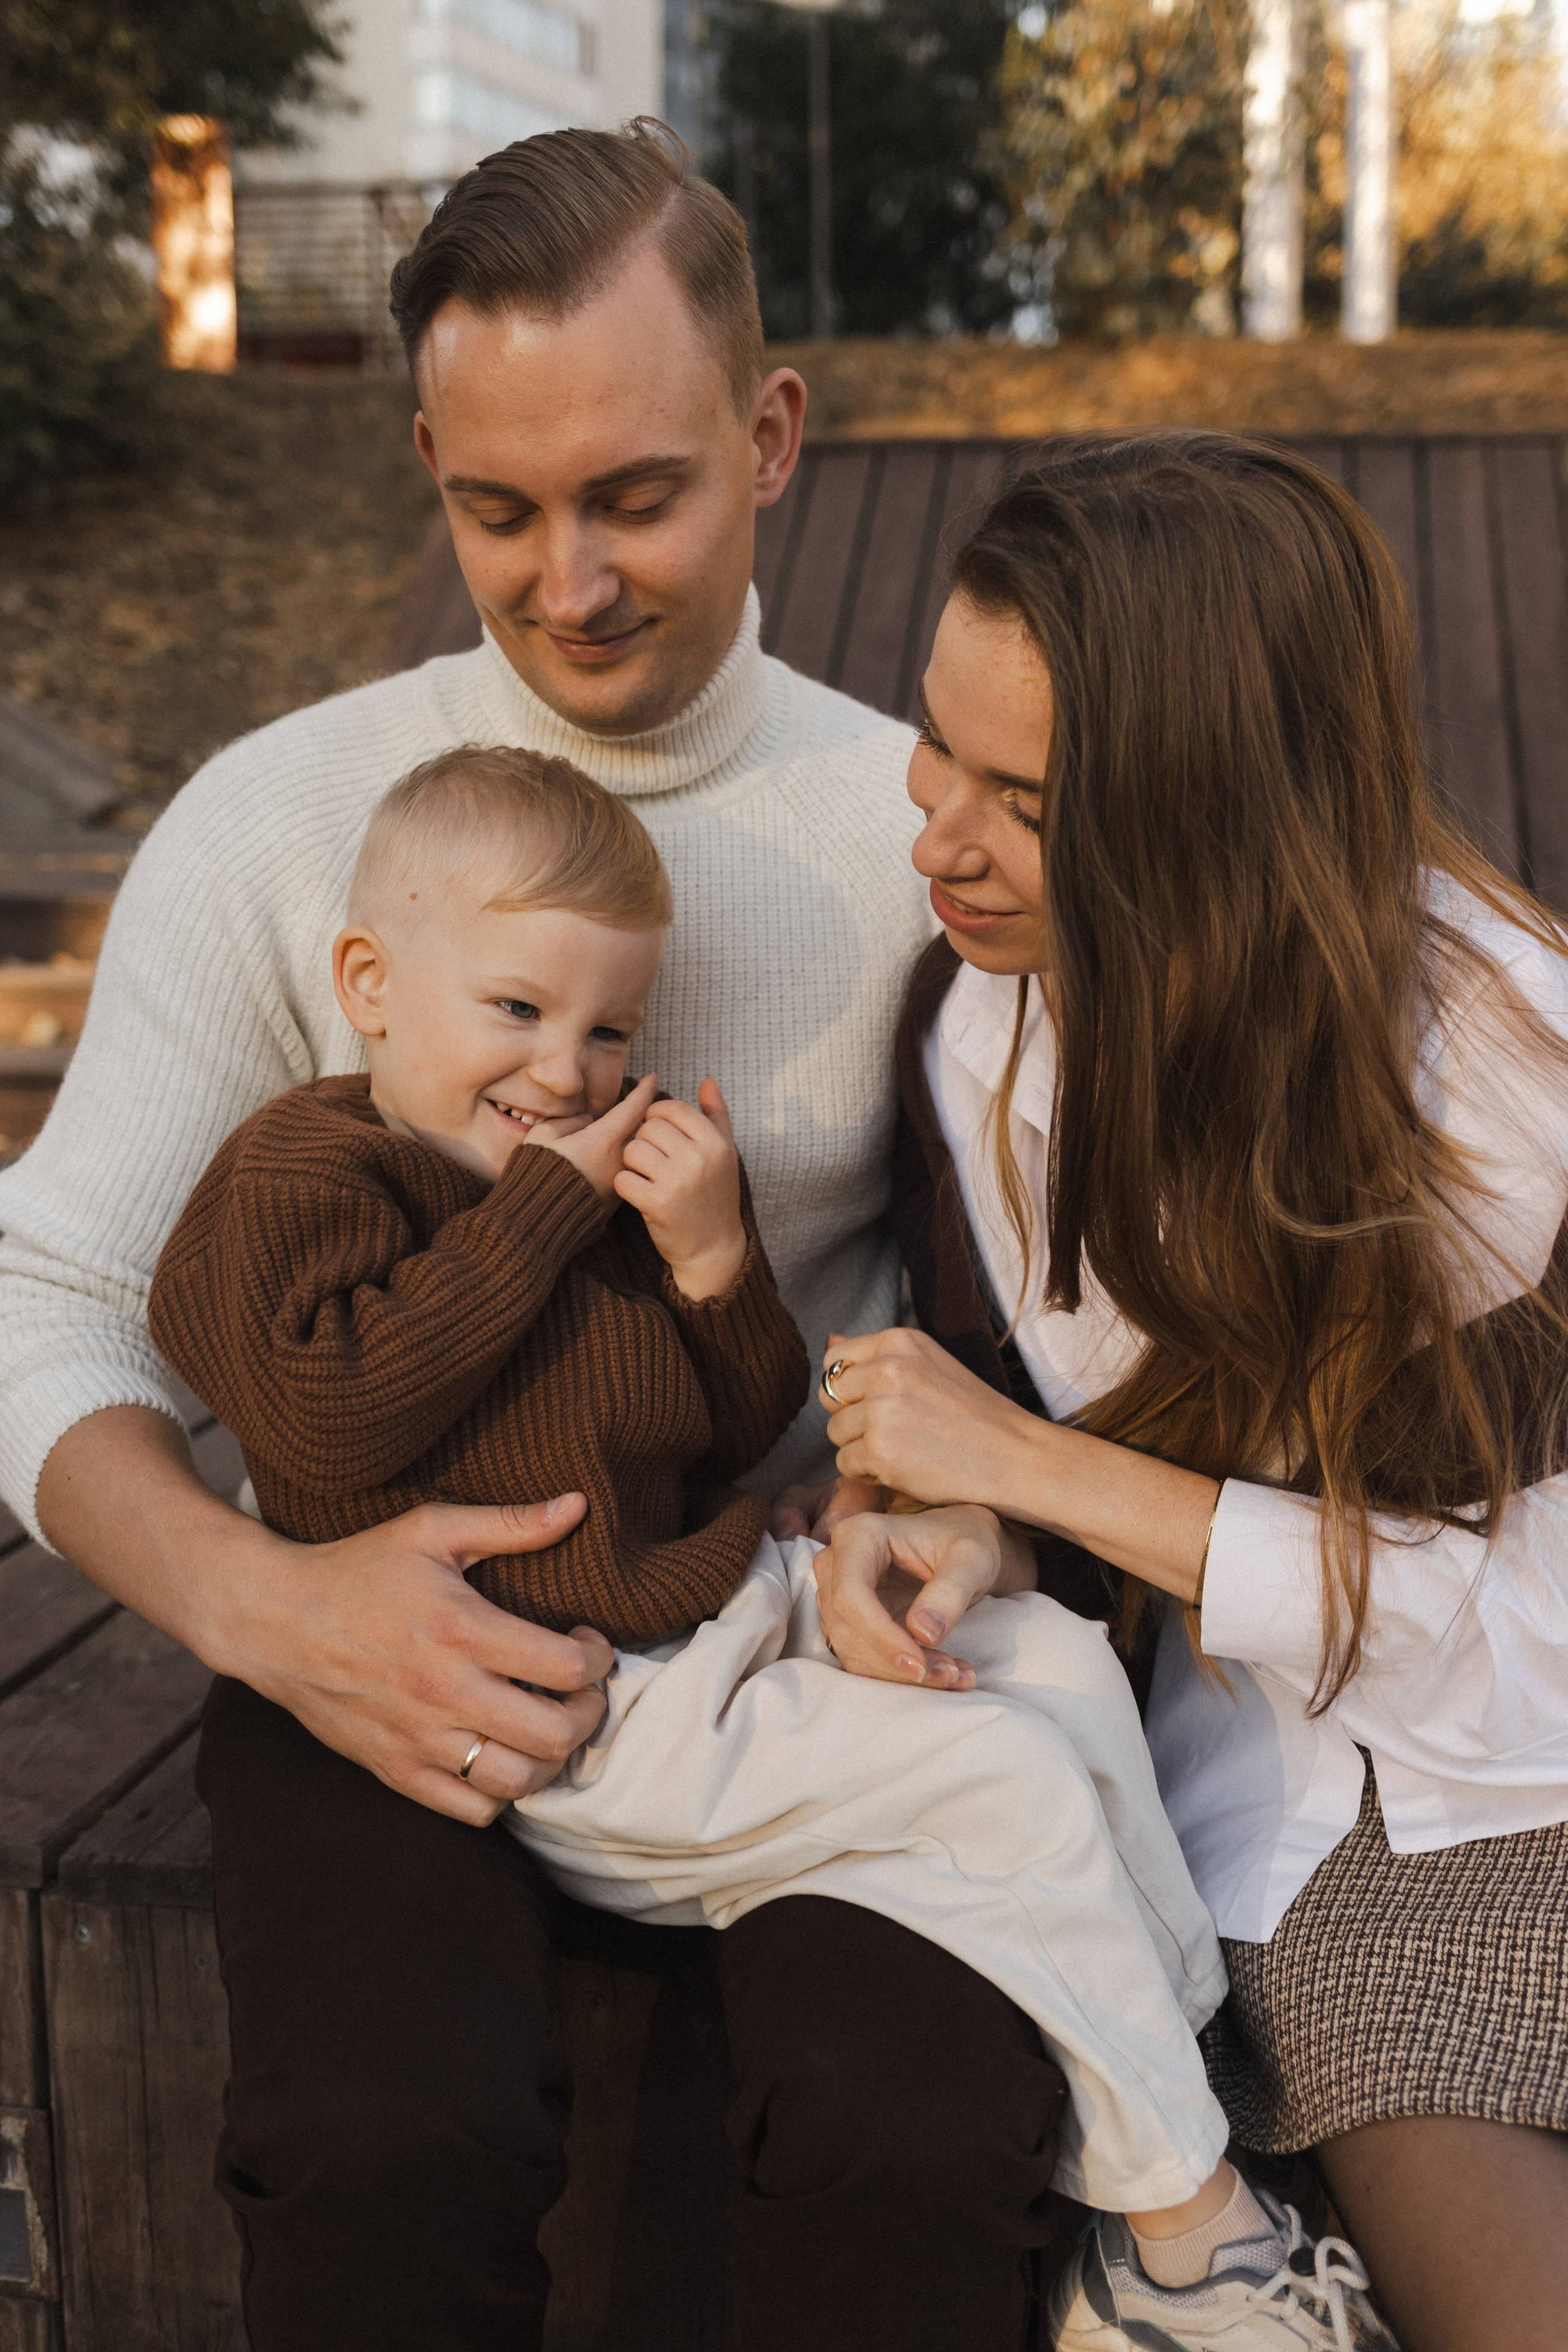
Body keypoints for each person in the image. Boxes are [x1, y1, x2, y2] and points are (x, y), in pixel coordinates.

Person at [0, 125, 1056, 2352]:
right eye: (498, 509)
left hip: (766, 1628)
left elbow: (1032, 1333)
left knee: (926, 2124)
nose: (565, 579)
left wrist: (942, 1532)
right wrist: (260, 1601)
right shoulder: (287, 824)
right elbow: (52, 1299)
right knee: (381, 2143)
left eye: (633, 498)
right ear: (429, 461)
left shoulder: (916, 845)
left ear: (772, 440)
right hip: (360, 1617)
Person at [151, 740, 1381, 2348]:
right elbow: (325, 1418)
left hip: (709, 1608)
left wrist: (717, 1263)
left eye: (607, 1029)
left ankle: (1161, 2059)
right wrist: (534, 1219)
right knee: (989, 1783)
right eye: (516, 1012)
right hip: (562, 1707)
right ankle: (1185, 2233)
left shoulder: (571, 1204)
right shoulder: (307, 1176)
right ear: (371, 985)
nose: (567, 1071)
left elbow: (719, 1432)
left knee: (1051, 1663)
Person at [791, 433, 1568, 2352]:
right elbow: (1097, 1474)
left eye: (1022, 798)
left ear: (1210, 814)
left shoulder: (1493, 1081)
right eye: (933, 746)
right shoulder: (983, 1030)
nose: (935, 839)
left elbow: (1480, 1615)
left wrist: (1027, 1465)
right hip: (1312, 1825)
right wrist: (968, 1521)